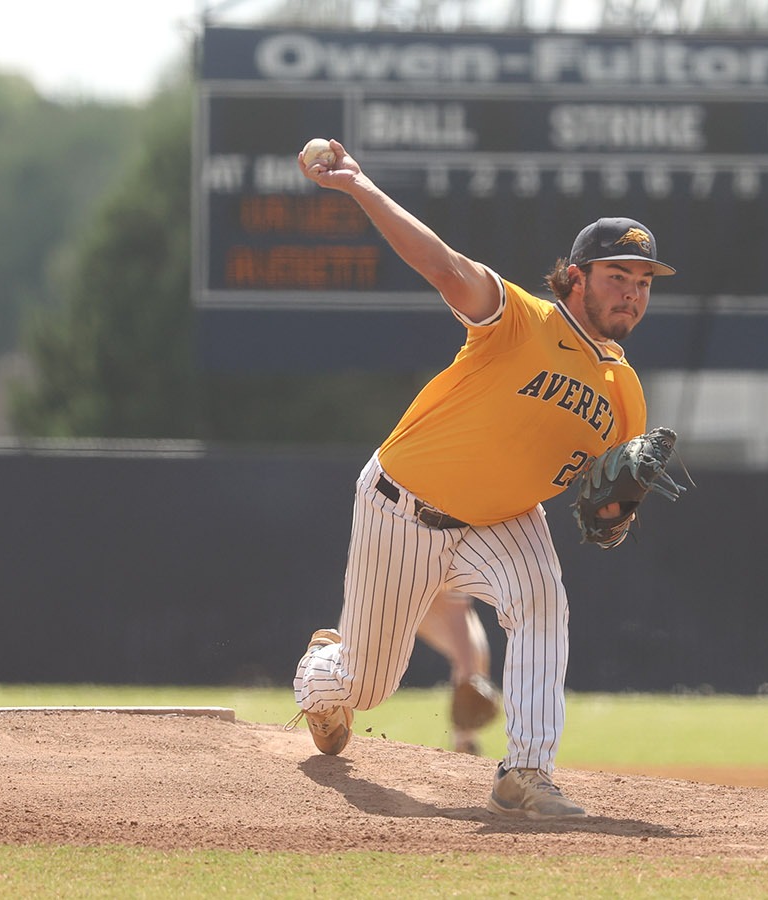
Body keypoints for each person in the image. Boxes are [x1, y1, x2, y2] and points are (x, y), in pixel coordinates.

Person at [290, 137, 675, 819]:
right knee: (367, 683)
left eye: (643, 283)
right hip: (400, 507)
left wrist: (617, 515)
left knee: (542, 600)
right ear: (578, 277)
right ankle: (326, 670)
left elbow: (608, 496)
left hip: (502, 517)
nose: (634, 294)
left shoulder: (625, 391)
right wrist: (359, 185)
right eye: (620, 276)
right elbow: (440, 264)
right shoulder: (519, 319)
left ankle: (526, 770)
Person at [416, 591, 502, 756]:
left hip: (441, 596)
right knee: (472, 656)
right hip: (405, 596)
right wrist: (468, 677)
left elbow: (459, 606)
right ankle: (464, 740)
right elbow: (457, 611)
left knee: (478, 655)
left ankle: (465, 741)